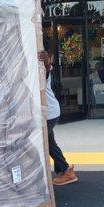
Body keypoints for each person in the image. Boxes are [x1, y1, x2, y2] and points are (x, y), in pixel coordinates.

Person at [38, 51, 78, 186]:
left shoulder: (42, 71)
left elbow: (48, 68)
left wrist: (47, 62)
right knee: (50, 143)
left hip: (49, 113)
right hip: (48, 112)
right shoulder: (33, 72)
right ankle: (67, 171)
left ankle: (66, 171)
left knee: (46, 143)